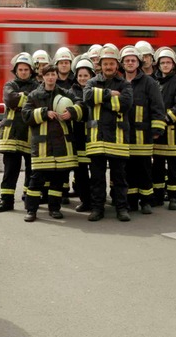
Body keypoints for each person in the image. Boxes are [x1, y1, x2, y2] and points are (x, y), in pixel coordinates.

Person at [21, 66, 82, 221]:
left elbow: (81, 106)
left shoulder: (65, 93)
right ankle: (31, 210)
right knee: (36, 179)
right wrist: (44, 113)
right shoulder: (34, 95)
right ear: (42, 77)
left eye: (53, 74)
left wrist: (72, 112)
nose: (50, 77)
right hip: (42, 146)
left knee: (58, 179)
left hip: (61, 144)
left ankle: (54, 209)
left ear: (56, 76)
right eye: (47, 74)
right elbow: (26, 116)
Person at [83, 45, 131, 222]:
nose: (108, 67)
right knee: (97, 179)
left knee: (119, 178)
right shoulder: (91, 82)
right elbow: (87, 97)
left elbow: (126, 104)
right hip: (96, 139)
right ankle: (97, 209)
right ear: (100, 65)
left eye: (111, 63)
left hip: (117, 139)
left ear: (116, 65)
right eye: (105, 64)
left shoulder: (125, 84)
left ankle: (121, 209)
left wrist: (100, 100)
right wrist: (109, 94)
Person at [120, 45, 165, 215]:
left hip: (143, 135)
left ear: (138, 62)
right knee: (128, 171)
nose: (130, 63)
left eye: (133, 60)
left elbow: (158, 107)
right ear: (122, 63)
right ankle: (131, 202)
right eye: (127, 61)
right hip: (124, 135)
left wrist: (156, 129)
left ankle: (146, 201)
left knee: (145, 169)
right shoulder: (120, 82)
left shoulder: (149, 82)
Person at [0, 52, 36, 213]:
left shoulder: (37, 86)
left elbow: (36, 101)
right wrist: (28, 99)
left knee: (31, 170)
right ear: (16, 71)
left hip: (30, 134)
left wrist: (21, 98)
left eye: (26, 69)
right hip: (11, 135)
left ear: (31, 71)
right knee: (10, 170)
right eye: (21, 69)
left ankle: (28, 198)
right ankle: (6, 200)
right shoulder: (9, 85)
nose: (24, 72)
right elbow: (10, 99)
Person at [152, 47, 176, 210]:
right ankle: (158, 196)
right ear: (158, 65)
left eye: (168, 62)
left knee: (174, 167)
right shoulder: (154, 83)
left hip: (174, 133)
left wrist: (162, 119)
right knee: (157, 167)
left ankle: (174, 198)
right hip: (158, 133)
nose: (165, 65)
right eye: (162, 63)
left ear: (173, 65)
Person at [67, 57, 94, 212]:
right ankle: (86, 201)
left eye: (86, 75)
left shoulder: (96, 88)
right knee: (81, 172)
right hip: (78, 138)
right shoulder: (71, 92)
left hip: (95, 137)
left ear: (91, 76)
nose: (83, 78)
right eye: (80, 76)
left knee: (97, 173)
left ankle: (97, 200)